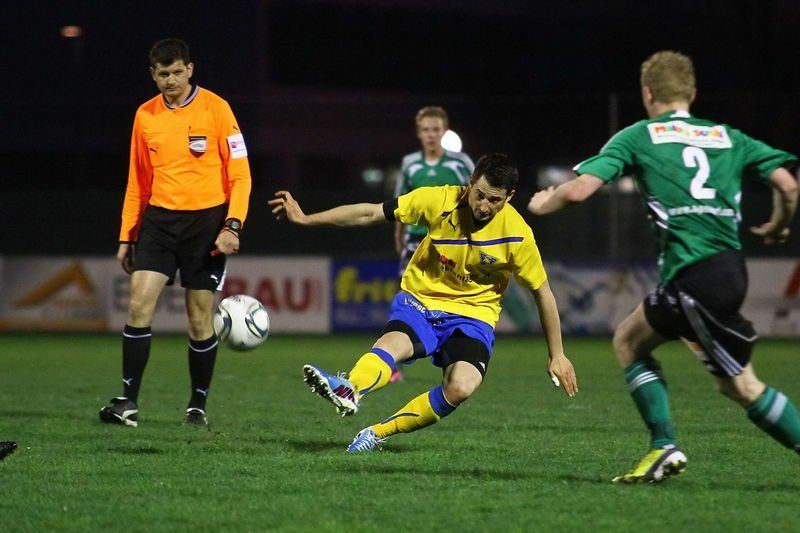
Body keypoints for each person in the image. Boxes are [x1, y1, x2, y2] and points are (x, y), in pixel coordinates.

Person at [528, 51, 800, 483]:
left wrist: (545, 202)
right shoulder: (727, 136)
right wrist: (780, 226)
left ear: (648, 93)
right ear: (692, 92)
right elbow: (787, 183)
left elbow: (578, 191)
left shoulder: (639, 136)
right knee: (650, 347)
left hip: (696, 277)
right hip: (726, 271)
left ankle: (664, 445)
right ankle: (662, 447)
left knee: (726, 379)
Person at [270, 153, 578, 452]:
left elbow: (543, 293)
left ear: (509, 197)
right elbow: (370, 213)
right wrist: (307, 219)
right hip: (422, 300)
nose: (484, 206)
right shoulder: (439, 200)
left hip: (473, 316)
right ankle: (350, 388)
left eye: (494, 200)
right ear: (471, 182)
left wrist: (557, 354)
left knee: (461, 387)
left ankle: (376, 433)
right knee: (392, 345)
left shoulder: (517, 235)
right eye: (480, 195)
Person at [99, 38, 252, 428]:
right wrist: (126, 235)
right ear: (153, 75)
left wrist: (233, 224)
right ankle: (128, 403)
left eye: (177, 72)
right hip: (160, 223)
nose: (171, 80)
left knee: (199, 319)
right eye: (163, 74)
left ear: (190, 69)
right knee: (138, 306)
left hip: (207, 226)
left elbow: (240, 174)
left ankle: (197, 406)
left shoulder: (217, 108)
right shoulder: (145, 115)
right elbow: (137, 182)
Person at [390, 106, 475, 382]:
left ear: (444, 131)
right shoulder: (410, 164)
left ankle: (454, 360)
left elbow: (477, 197)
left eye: (436, 129)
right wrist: (399, 238)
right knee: (406, 297)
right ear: (419, 133)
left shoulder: (460, 163)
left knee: (453, 298)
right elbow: (398, 205)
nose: (431, 135)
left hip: (452, 242)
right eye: (426, 129)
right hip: (416, 240)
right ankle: (393, 364)